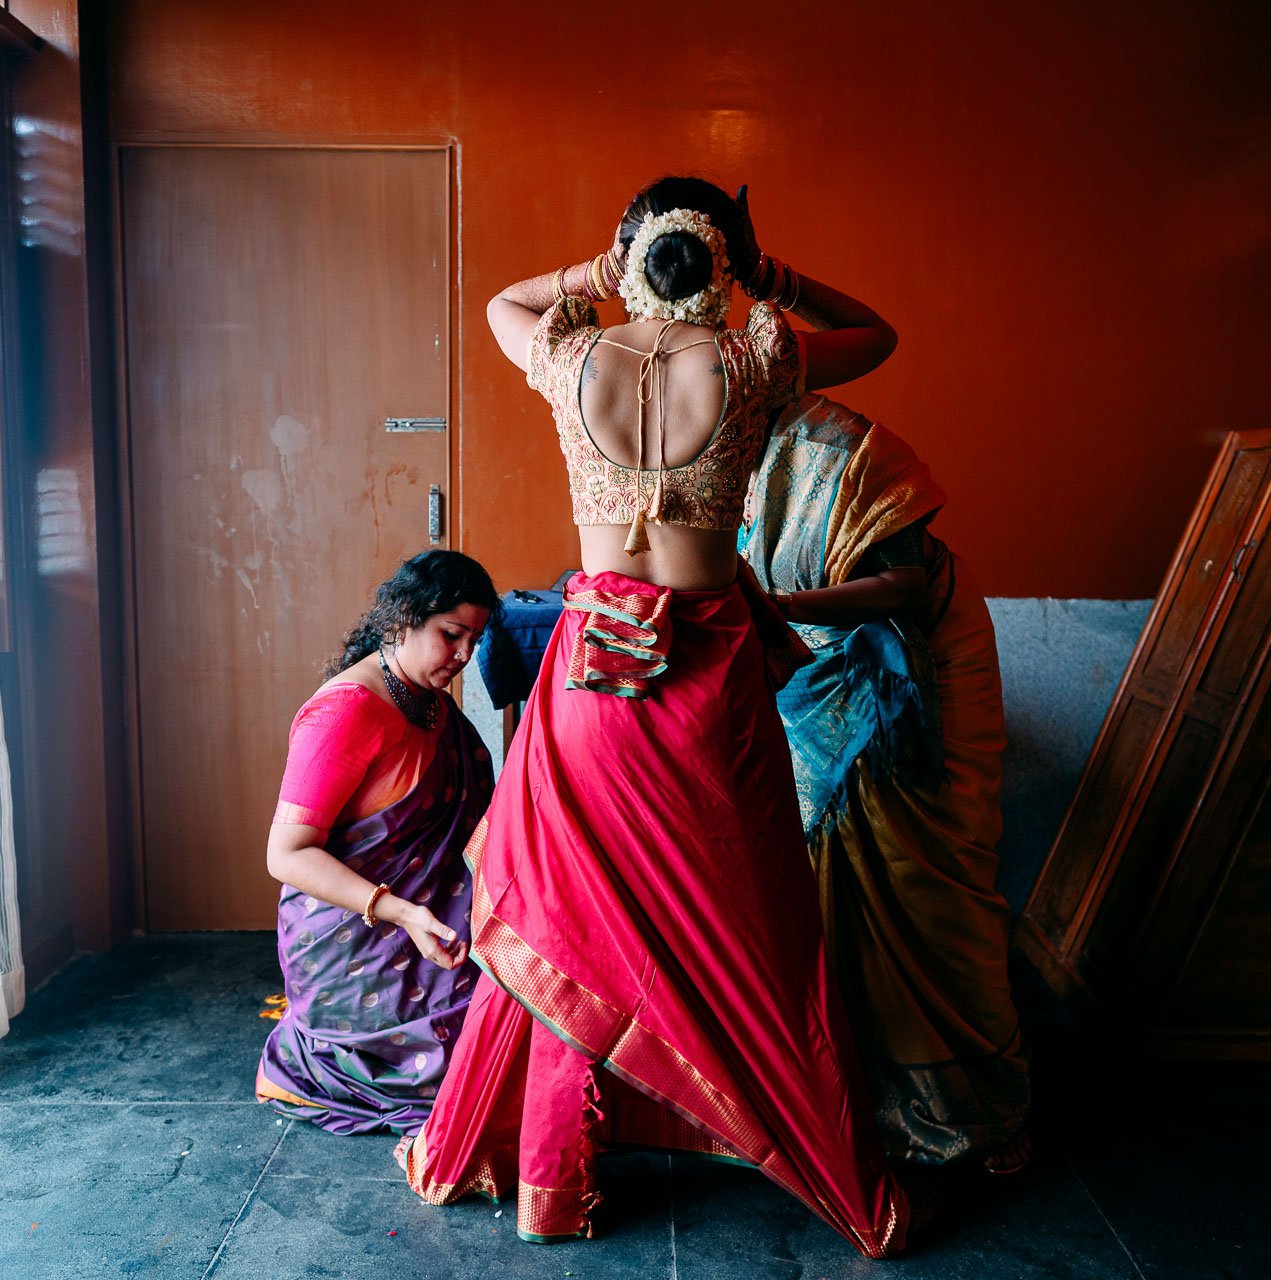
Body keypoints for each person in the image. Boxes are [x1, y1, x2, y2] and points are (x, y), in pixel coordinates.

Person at [397, 177, 911, 1258]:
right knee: (755, 913)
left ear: (631, 252)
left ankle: (555, 1184)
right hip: (706, 681)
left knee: (571, 919)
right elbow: (876, 335)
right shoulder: (755, 359)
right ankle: (788, 1139)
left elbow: (500, 303)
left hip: (591, 681)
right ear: (725, 258)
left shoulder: (573, 356)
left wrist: (593, 271)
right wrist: (769, 277)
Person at [740, 395, 1033, 1172]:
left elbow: (904, 584)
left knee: (926, 885)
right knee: (821, 878)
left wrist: (781, 610)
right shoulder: (721, 456)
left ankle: (965, 1103)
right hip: (819, 679)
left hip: (913, 676)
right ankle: (850, 1090)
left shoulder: (855, 458)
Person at [257, 550, 500, 1135]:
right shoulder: (345, 712)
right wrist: (403, 913)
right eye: (452, 634)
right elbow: (284, 855)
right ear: (402, 620)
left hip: (429, 919)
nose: (465, 655)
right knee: (474, 1069)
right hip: (355, 937)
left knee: (527, 1002)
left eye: (475, 639)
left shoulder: (425, 698)